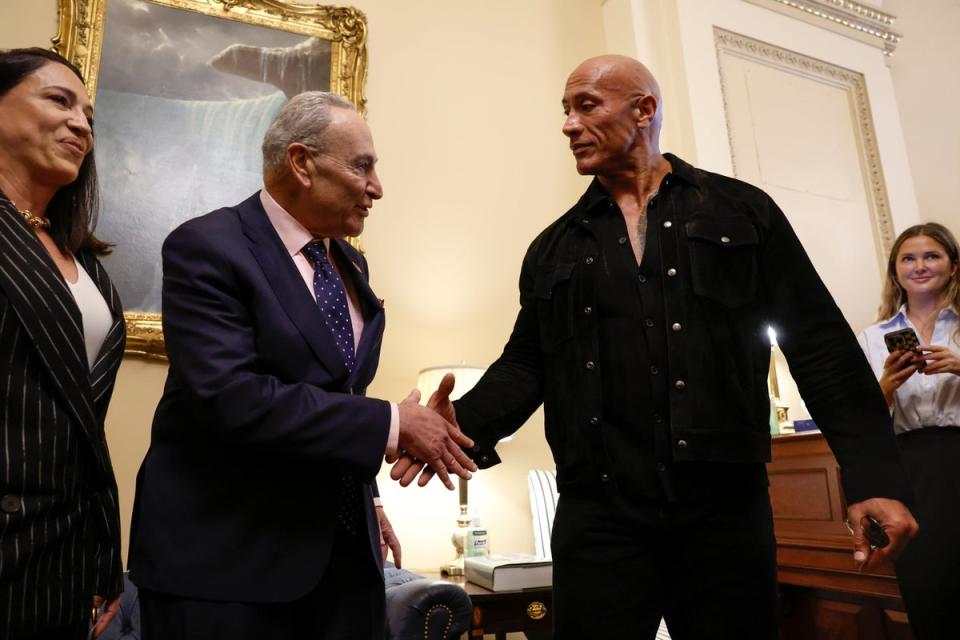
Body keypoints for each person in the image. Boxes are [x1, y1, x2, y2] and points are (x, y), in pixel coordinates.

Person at [392, 55, 918, 639]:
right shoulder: (554, 248)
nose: (568, 124)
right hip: (600, 519)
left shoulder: (744, 214)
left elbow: (821, 347)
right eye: (565, 111)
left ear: (644, 110)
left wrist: (873, 479)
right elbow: (527, 363)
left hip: (726, 513)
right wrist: (457, 423)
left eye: (585, 106)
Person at [127, 91, 477, 640]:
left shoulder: (350, 262)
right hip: (227, 566)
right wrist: (391, 423)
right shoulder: (207, 247)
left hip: (341, 564)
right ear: (301, 162)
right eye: (362, 166)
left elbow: (334, 390)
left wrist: (370, 496)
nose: (377, 187)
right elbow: (230, 395)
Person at [0, 48, 125, 639]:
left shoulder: (85, 262)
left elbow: (84, 431)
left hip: (67, 555)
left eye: (90, 116)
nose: (81, 123)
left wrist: (102, 558)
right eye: (59, 100)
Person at [858, 222, 960, 639]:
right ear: (895, 271)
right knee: (928, 584)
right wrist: (885, 386)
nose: (920, 266)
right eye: (909, 258)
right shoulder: (872, 336)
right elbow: (862, 418)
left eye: (932, 256)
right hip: (911, 468)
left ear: (953, 266)